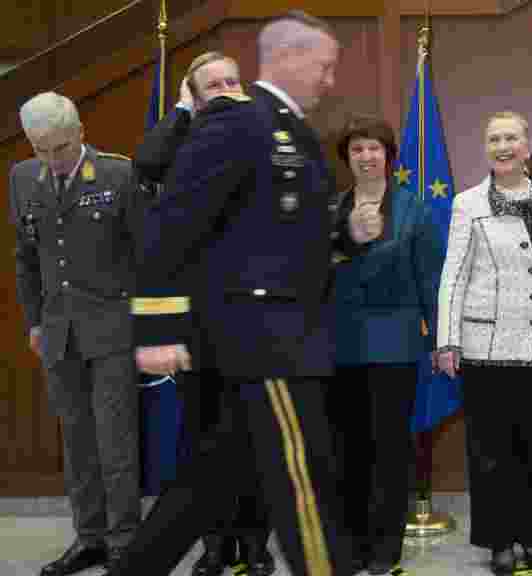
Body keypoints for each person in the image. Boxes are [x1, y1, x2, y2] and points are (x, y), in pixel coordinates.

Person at [105, 10, 347, 576]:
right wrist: (159, 328)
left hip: (281, 332)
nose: (330, 81)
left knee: (211, 483)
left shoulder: (290, 128)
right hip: (267, 340)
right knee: (302, 477)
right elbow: (171, 224)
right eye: (325, 66)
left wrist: (347, 237)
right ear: (287, 58)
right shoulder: (239, 121)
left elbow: (280, 235)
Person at [132, 51, 275, 576]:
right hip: (199, 322)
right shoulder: (184, 140)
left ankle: (255, 544)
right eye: (213, 84)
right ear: (193, 95)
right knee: (201, 437)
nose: (227, 90)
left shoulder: (262, 134)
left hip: (255, 318)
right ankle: (215, 545)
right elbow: (146, 163)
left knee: (256, 439)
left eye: (233, 81)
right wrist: (182, 112)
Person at [436, 111, 532, 576]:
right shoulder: (467, 203)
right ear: (486, 148)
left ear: (527, 145)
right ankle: (499, 539)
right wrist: (448, 340)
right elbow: (454, 274)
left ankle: (531, 534)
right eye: (495, 138)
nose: (504, 146)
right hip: (487, 349)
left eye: (512, 138)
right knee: (491, 451)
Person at [8, 91, 141, 576]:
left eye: (59, 148)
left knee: (116, 442)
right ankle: (90, 539)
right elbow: (26, 258)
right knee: (77, 441)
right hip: (58, 332)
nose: (51, 160)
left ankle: (125, 542)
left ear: (80, 132)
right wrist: (35, 322)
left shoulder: (118, 175)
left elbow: (145, 255)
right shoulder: (22, 178)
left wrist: (148, 325)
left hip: (112, 329)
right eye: (40, 149)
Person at [329, 114, 443, 575]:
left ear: (388, 155)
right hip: (340, 346)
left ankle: (384, 549)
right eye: (357, 149)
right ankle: (353, 544)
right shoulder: (332, 208)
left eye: (374, 148)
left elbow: (431, 278)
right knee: (348, 449)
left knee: (389, 451)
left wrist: (439, 338)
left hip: (395, 345)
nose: (366, 156)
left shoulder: (413, 208)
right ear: (348, 158)